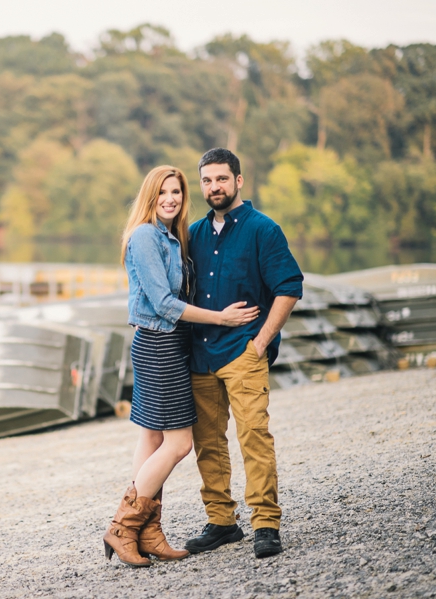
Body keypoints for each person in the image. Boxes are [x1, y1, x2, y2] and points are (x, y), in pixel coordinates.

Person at [103, 165, 259, 568]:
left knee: (152, 440)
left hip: (169, 344)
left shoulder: (171, 237)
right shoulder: (143, 237)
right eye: (162, 193)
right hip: (159, 345)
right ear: (150, 197)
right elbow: (164, 303)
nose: (170, 199)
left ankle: (148, 533)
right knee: (179, 444)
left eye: (176, 192)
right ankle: (122, 528)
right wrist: (220, 318)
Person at [183, 148, 303, 559]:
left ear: (239, 180)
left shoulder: (263, 229)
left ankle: (266, 523)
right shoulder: (194, 234)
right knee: (208, 442)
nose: (213, 187)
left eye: (221, 178)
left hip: (243, 353)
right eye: (206, 180)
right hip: (200, 355)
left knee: (254, 435)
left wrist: (260, 342)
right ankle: (221, 522)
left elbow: (289, 287)